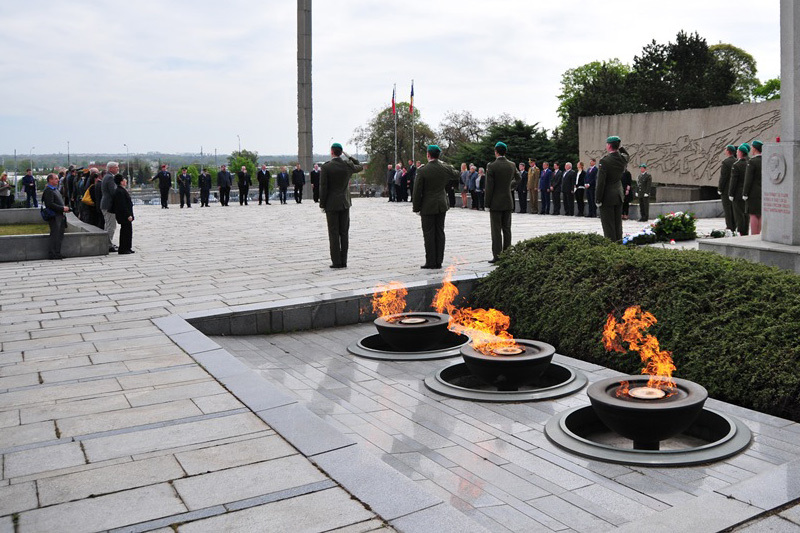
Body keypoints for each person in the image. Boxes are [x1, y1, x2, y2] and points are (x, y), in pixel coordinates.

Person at [413, 144, 458, 269]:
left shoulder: (422, 170)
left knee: (429, 233)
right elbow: (456, 174)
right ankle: (439, 261)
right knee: (440, 232)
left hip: (427, 205)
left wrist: (416, 207)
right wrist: (445, 164)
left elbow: (417, 191)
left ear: (428, 155)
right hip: (442, 204)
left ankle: (431, 261)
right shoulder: (444, 168)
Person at [320, 143, 363, 268]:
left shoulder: (326, 167)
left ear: (332, 152)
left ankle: (336, 261)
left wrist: (322, 204)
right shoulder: (347, 165)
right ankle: (344, 261)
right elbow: (360, 166)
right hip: (345, 203)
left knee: (333, 233)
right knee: (344, 233)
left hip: (331, 204)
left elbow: (323, 187)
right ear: (341, 152)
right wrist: (349, 156)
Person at [486, 142, 518, 263]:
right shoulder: (512, 165)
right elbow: (518, 178)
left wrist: (487, 203)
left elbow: (489, 187)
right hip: (508, 201)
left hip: (496, 202)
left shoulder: (492, 166)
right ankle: (507, 254)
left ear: (496, 152)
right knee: (507, 229)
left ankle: (497, 256)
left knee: (496, 231)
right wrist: (510, 186)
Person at [596, 136, 628, 242]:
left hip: (607, 197)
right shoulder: (623, 159)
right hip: (618, 195)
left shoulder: (604, 161)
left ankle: (611, 246)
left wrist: (598, 199)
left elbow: (601, 182)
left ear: (609, 146)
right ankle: (619, 243)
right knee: (618, 224)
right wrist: (620, 147)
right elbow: (627, 155)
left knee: (608, 225)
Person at [41, 173, 70, 260]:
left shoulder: (55, 189)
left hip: (60, 215)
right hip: (54, 216)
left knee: (59, 235)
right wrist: (62, 208)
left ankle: (57, 253)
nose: (58, 180)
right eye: (56, 179)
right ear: (50, 180)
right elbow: (50, 204)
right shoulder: (48, 190)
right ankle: (52, 253)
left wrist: (64, 208)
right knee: (55, 234)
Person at [729, 143, 750, 236]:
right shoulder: (748, 163)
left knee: (739, 213)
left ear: (741, 152)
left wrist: (731, 194)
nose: (736, 153)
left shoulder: (736, 165)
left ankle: (741, 231)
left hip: (737, 193)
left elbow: (733, 181)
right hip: (747, 192)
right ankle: (746, 230)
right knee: (746, 213)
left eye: (737, 151)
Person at [743, 140, 763, 235]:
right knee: (761, 214)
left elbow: (748, 179)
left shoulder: (752, 162)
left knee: (753, 214)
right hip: (763, 191)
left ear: (754, 149)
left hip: (753, 192)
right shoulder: (765, 160)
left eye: (752, 147)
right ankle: (759, 234)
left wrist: (745, 193)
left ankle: (754, 234)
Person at [112, 175, 135, 254]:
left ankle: (128, 247)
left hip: (126, 214)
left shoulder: (121, 190)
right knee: (125, 232)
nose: (125, 181)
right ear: (121, 182)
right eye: (124, 179)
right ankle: (123, 248)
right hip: (124, 215)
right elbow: (122, 205)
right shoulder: (119, 191)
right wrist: (128, 215)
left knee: (128, 231)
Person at [99, 161, 119, 252]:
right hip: (109, 205)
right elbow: (113, 191)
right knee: (111, 226)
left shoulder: (106, 176)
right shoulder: (110, 177)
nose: (118, 169)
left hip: (105, 204)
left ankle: (107, 243)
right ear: (111, 168)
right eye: (116, 167)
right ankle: (108, 245)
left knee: (107, 225)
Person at [718, 145, 737, 232]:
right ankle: (734, 225)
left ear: (728, 151)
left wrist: (720, 189)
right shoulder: (736, 161)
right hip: (735, 189)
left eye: (725, 149)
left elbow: (723, 177)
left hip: (726, 189)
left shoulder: (726, 162)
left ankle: (729, 226)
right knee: (734, 208)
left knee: (727, 209)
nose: (725, 151)